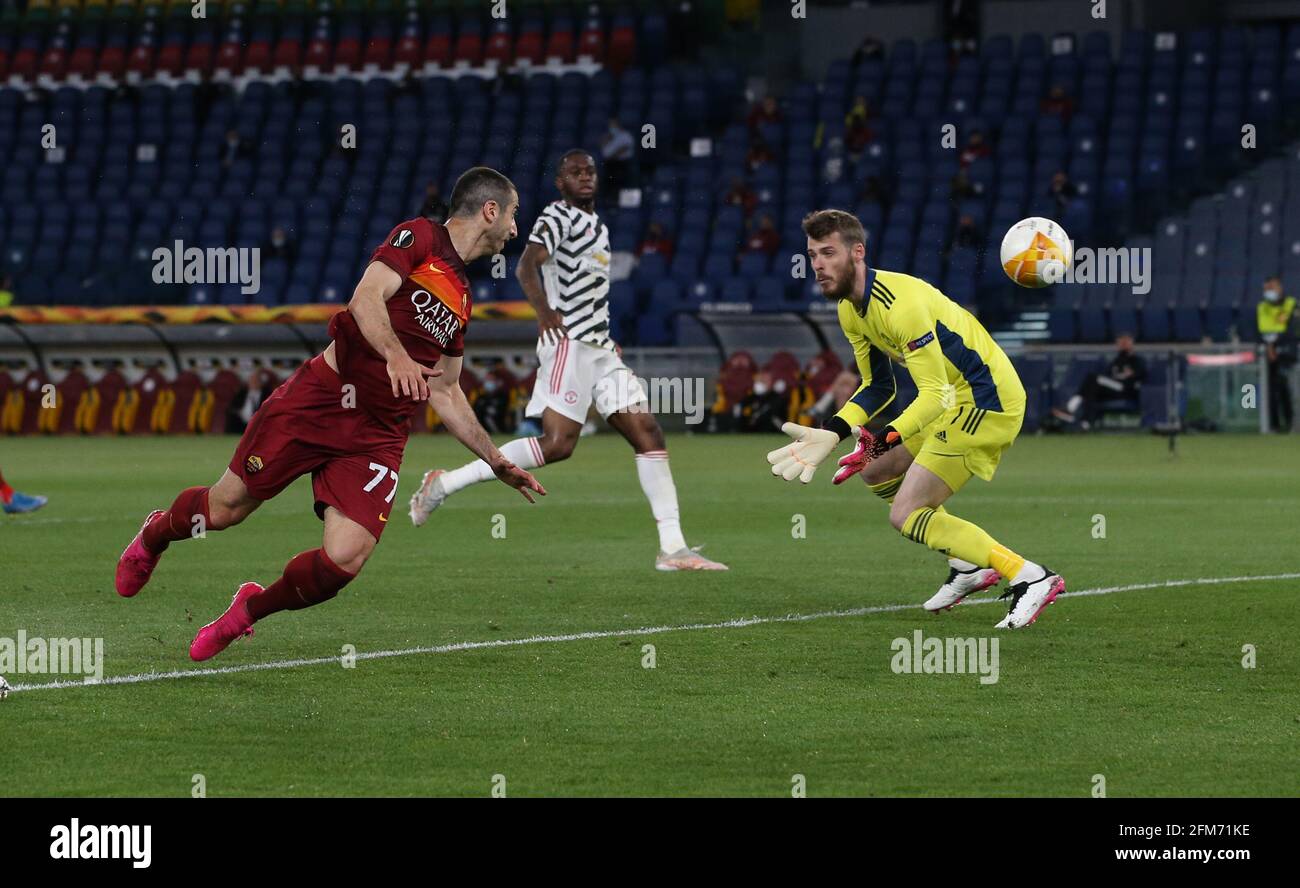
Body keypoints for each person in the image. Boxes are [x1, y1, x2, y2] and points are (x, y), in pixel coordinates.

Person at [114, 167, 545, 661]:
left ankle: (247, 610)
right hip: (320, 399)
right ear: (490, 210)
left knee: (344, 559)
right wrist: (397, 355)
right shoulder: (420, 237)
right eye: (513, 215)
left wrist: (495, 460)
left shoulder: (464, 298)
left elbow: (446, 391)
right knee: (223, 511)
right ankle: (155, 533)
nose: (515, 228)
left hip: (378, 435)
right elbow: (365, 298)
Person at [409, 150, 726, 572]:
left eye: (590, 171)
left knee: (648, 433)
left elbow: (589, 291)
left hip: (598, 348)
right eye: (575, 172)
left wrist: (605, 338)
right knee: (558, 445)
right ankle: (444, 483)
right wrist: (546, 315)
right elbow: (527, 266)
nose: (585, 177)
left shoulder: (598, 225)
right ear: (560, 183)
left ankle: (673, 549)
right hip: (569, 344)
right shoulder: (556, 216)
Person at [767, 209, 1063, 628]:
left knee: (904, 514)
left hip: (985, 400)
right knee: (877, 473)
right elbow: (878, 387)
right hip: (953, 398)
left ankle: (1030, 576)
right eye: (813, 254)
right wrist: (833, 431)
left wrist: (883, 436)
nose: (817, 264)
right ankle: (968, 565)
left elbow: (933, 394)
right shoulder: (851, 311)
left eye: (828, 253)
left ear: (858, 253)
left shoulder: (900, 306)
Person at [1051, 333, 1147, 430]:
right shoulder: (1117, 360)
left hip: (1125, 390)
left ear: (1131, 344)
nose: (1122, 345)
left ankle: (1070, 409)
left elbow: (1139, 376)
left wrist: (1129, 375)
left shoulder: (1137, 360)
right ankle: (1085, 423)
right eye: (1120, 343)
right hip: (1111, 390)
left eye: (1125, 342)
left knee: (1092, 378)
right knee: (1090, 390)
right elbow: (1109, 375)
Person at [1258, 276, 1297, 432]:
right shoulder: (1262, 307)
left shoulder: (1292, 304)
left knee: (1285, 388)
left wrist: (1274, 344)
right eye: (1266, 289)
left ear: (1280, 288)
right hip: (1267, 354)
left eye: (1272, 288)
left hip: (1287, 353)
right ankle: (1272, 425)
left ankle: (1290, 423)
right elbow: (1261, 329)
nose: (1269, 292)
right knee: (1266, 390)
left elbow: (1292, 329)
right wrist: (1269, 346)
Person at [225, 366, 270, 434]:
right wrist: (238, 412)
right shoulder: (241, 393)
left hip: (258, 424)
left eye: (256, 380)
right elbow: (232, 407)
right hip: (240, 423)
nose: (254, 382)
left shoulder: (267, 394)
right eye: (252, 380)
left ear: (261, 382)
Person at [599, 118, 635, 193]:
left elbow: (625, 148)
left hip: (621, 163)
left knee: (618, 180)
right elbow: (602, 147)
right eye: (610, 125)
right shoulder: (608, 136)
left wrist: (613, 156)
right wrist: (606, 139)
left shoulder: (626, 135)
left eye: (613, 125)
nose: (612, 127)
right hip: (609, 162)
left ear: (618, 125)